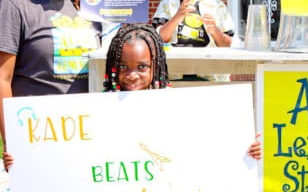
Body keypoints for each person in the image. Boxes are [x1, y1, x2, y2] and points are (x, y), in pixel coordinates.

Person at [0, 0, 101, 167]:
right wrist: (12, 140)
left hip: (83, 133)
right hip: (36, 133)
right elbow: (2, 78)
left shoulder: (86, 6)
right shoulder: (17, 4)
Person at [102, 24, 261, 160]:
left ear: (156, 66)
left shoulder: (174, 104)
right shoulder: (98, 108)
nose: (132, 75)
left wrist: (243, 143)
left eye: (142, 67)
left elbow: (206, 139)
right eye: (123, 67)